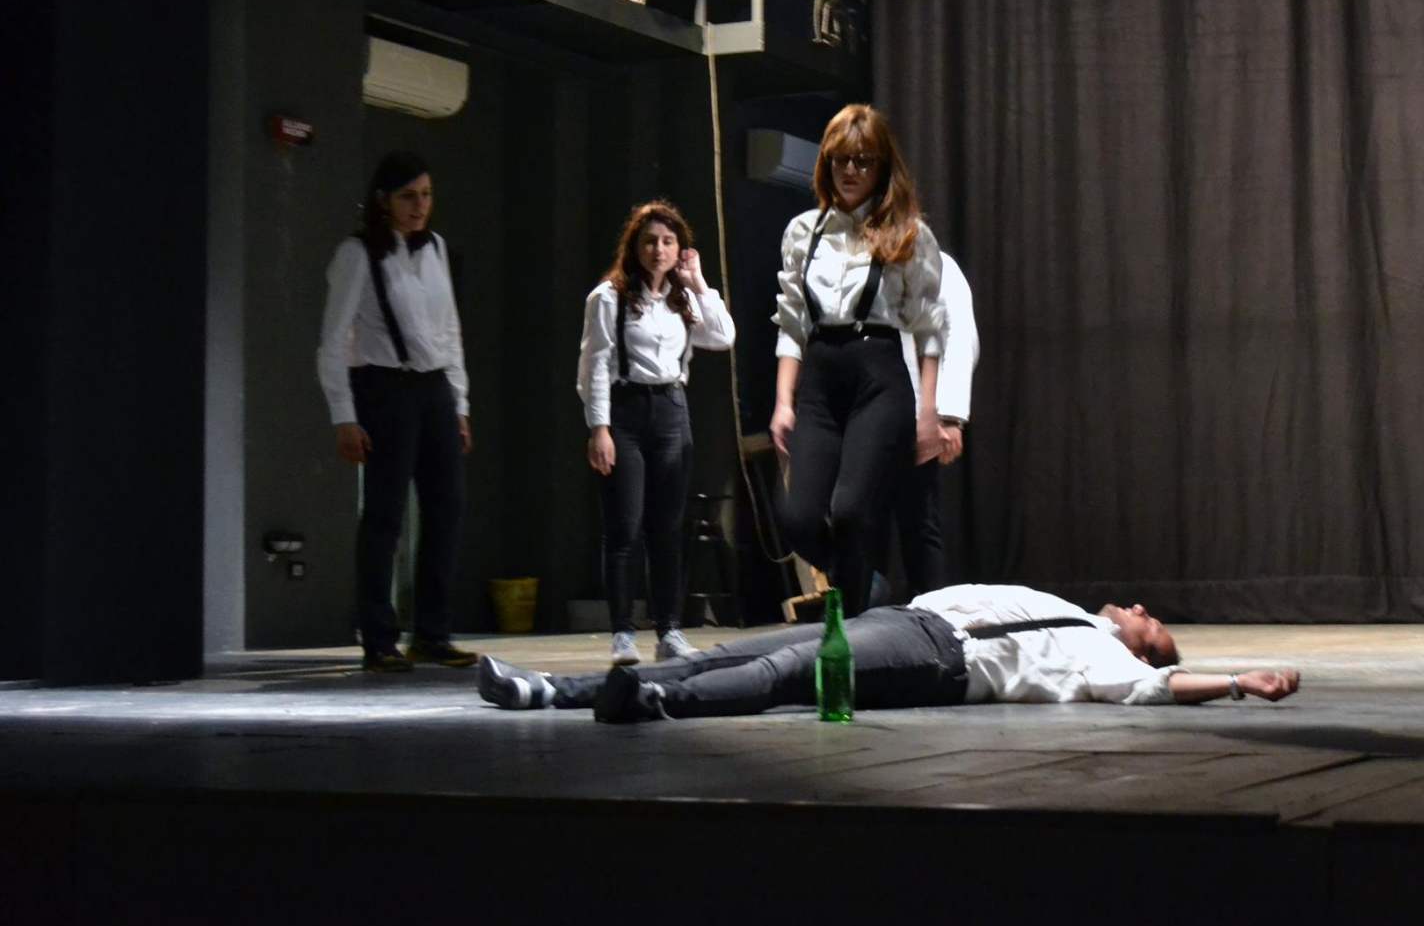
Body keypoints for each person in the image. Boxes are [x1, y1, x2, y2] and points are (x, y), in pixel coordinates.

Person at [475, 583, 1301, 721]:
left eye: (1154, 626)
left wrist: (1235, 681)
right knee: (731, 651)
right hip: (905, 617)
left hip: (937, 657)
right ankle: (550, 689)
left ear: (1148, 652)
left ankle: (656, 702)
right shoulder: (1078, 612)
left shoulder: (1112, 661)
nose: (1143, 611)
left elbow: (1157, 690)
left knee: (783, 676)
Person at [770, 104, 947, 615]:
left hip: (879, 375)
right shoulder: (803, 232)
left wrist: (929, 412)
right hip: (821, 376)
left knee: (850, 512)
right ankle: (861, 582)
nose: (850, 171)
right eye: (840, 159)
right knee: (799, 518)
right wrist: (783, 401)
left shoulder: (908, 232)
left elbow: (929, 328)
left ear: (882, 167)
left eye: (863, 161)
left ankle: (848, 623)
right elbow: (792, 324)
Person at [316, 151, 476, 672]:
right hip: (384, 387)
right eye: (409, 196)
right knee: (385, 515)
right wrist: (344, 415)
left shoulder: (436, 248)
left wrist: (459, 403)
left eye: (426, 195)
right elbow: (333, 340)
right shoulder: (358, 253)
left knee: (447, 508)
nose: (419, 206)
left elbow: (449, 330)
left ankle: (431, 632)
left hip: (434, 389)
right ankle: (379, 637)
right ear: (383, 199)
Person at [577, 200, 736, 665]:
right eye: (649, 241)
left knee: (667, 530)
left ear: (680, 248)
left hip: (671, 410)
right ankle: (623, 633)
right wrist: (599, 428)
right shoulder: (608, 297)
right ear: (635, 246)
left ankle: (669, 630)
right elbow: (594, 366)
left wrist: (698, 282)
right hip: (625, 411)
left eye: (668, 242)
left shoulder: (682, 299)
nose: (658, 250)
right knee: (624, 527)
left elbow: (723, 336)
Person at [888, 250, 978, 599]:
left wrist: (951, 416)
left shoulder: (934, 263)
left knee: (918, 521)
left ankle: (930, 613)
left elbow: (960, 334)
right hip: (863, 410)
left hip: (915, 411)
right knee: (860, 522)